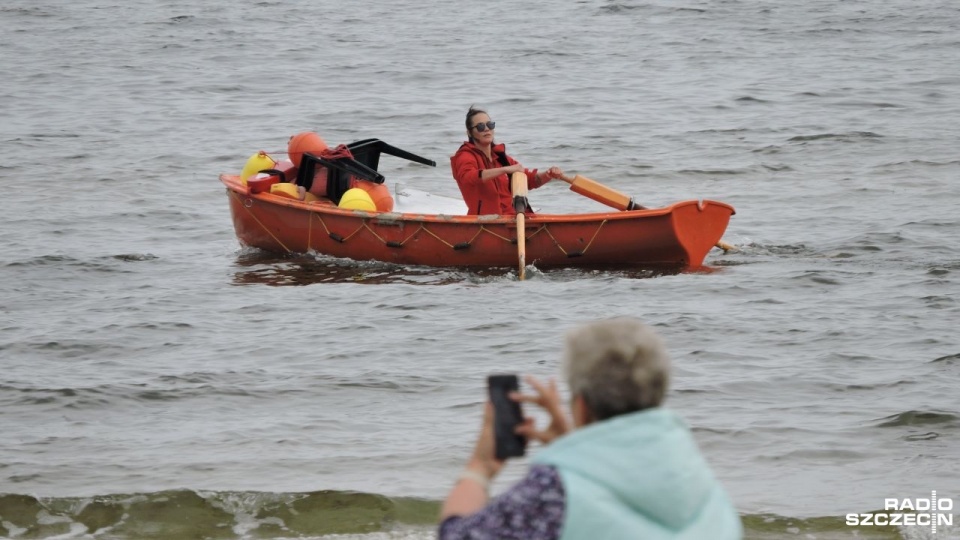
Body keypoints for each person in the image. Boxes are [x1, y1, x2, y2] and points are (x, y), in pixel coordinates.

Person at [438, 318, 743, 540]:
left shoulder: (553, 494)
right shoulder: (704, 486)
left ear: (580, 406)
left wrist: (480, 469)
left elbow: (457, 535)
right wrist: (574, 449)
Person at [451, 106, 565, 215]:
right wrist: (504, 170)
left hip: (513, 219)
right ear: (469, 133)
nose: (486, 129)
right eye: (480, 127)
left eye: (490, 125)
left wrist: (548, 174)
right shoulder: (465, 156)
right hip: (487, 222)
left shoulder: (500, 157)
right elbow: (468, 177)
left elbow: (529, 180)